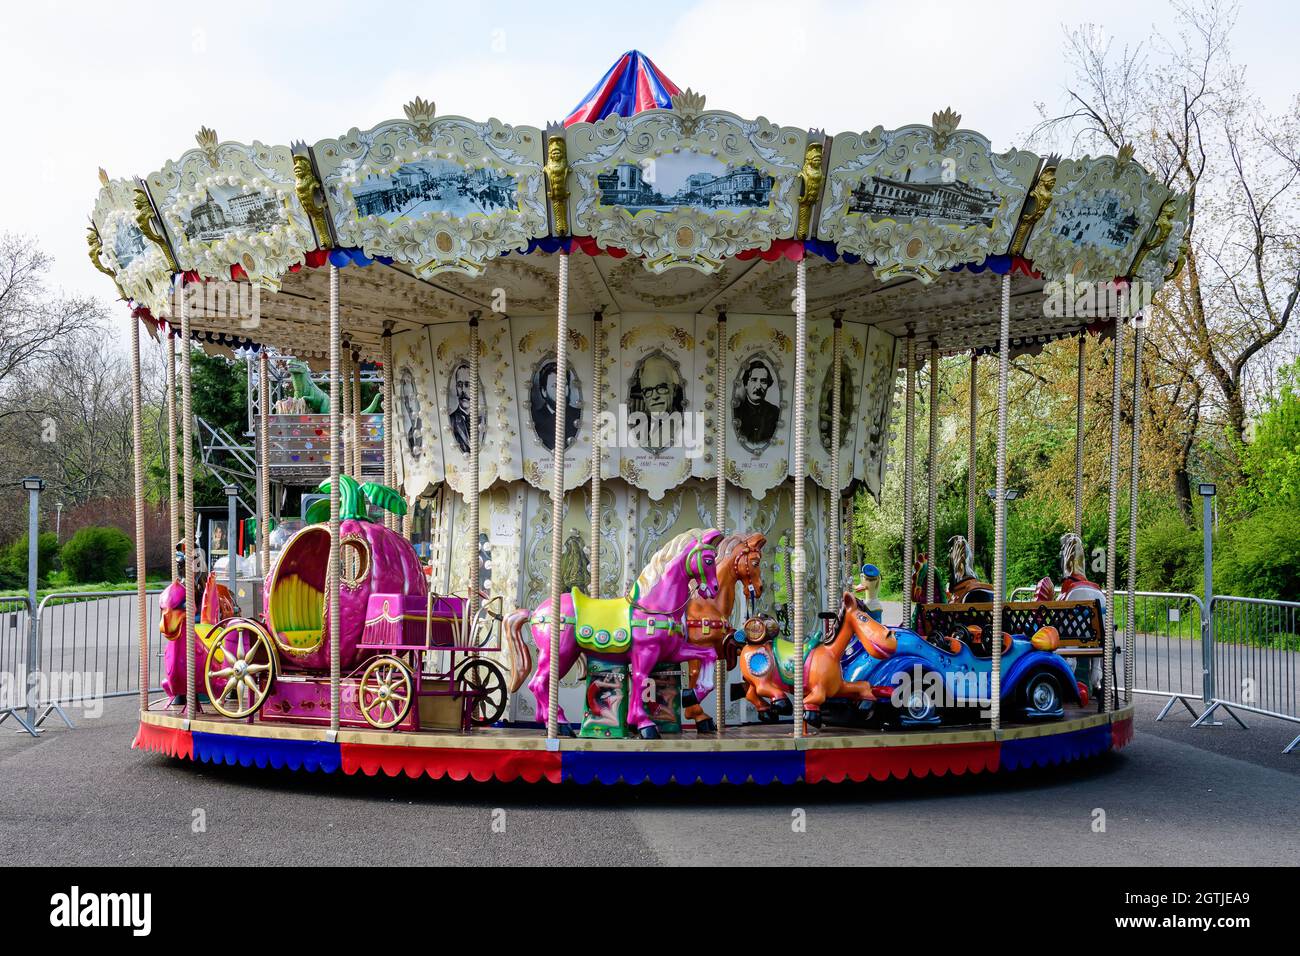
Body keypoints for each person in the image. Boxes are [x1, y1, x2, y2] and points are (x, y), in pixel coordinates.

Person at [734, 358, 779, 445]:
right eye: (754, 380)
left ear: (768, 385)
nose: (758, 386)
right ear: (746, 384)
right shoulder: (736, 411)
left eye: (763, 381)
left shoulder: (775, 412)